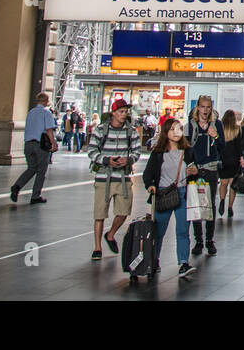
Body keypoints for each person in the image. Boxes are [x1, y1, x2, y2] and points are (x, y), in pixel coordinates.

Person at [142, 117, 198, 279]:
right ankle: (154, 260)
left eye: (179, 129)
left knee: (183, 229)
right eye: (172, 129)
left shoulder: (188, 151)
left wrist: (194, 172)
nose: (176, 133)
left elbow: (195, 170)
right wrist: (150, 185)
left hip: (182, 193)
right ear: (166, 132)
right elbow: (148, 173)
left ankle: (183, 262)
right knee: (159, 230)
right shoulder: (159, 153)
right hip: (163, 194)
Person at [85, 98, 141, 261]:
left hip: (123, 177)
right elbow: (91, 150)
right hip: (104, 177)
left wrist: (128, 159)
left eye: (126, 112)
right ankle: (97, 248)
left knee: (124, 212)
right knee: (99, 214)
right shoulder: (101, 129)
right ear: (114, 113)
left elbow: (137, 151)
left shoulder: (131, 131)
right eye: (121, 112)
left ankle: (110, 234)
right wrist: (106, 160)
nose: (124, 115)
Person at [186, 95, 225, 256]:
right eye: (203, 107)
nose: (205, 110)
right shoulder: (191, 125)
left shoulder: (216, 124)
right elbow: (186, 147)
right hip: (195, 169)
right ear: (198, 108)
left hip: (210, 168)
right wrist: (190, 164)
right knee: (195, 205)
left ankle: (209, 240)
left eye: (208, 107)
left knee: (209, 205)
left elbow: (223, 146)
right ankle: (198, 241)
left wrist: (215, 136)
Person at [11, 91, 58, 204]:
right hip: (40, 145)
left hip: (28, 144)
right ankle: (36, 195)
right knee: (41, 171)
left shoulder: (30, 112)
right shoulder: (46, 113)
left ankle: (17, 186)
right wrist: (53, 144)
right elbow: (49, 130)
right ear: (46, 101)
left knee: (31, 168)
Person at [217, 110, 244, 218]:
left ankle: (222, 200)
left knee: (223, 183)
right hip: (234, 160)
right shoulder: (237, 129)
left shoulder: (220, 129)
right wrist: (241, 158)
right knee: (233, 185)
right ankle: (230, 207)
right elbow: (239, 146)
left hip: (223, 159)